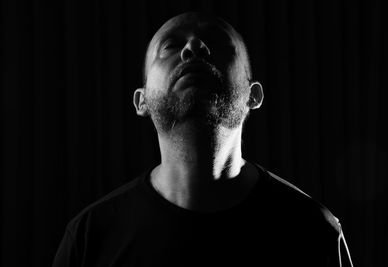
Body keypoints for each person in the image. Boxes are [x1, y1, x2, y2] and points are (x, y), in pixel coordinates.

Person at [53, 12, 353, 267]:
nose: (194, 46)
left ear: (254, 95)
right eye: (170, 45)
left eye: (219, 42)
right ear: (141, 101)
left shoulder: (312, 230)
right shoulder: (90, 237)